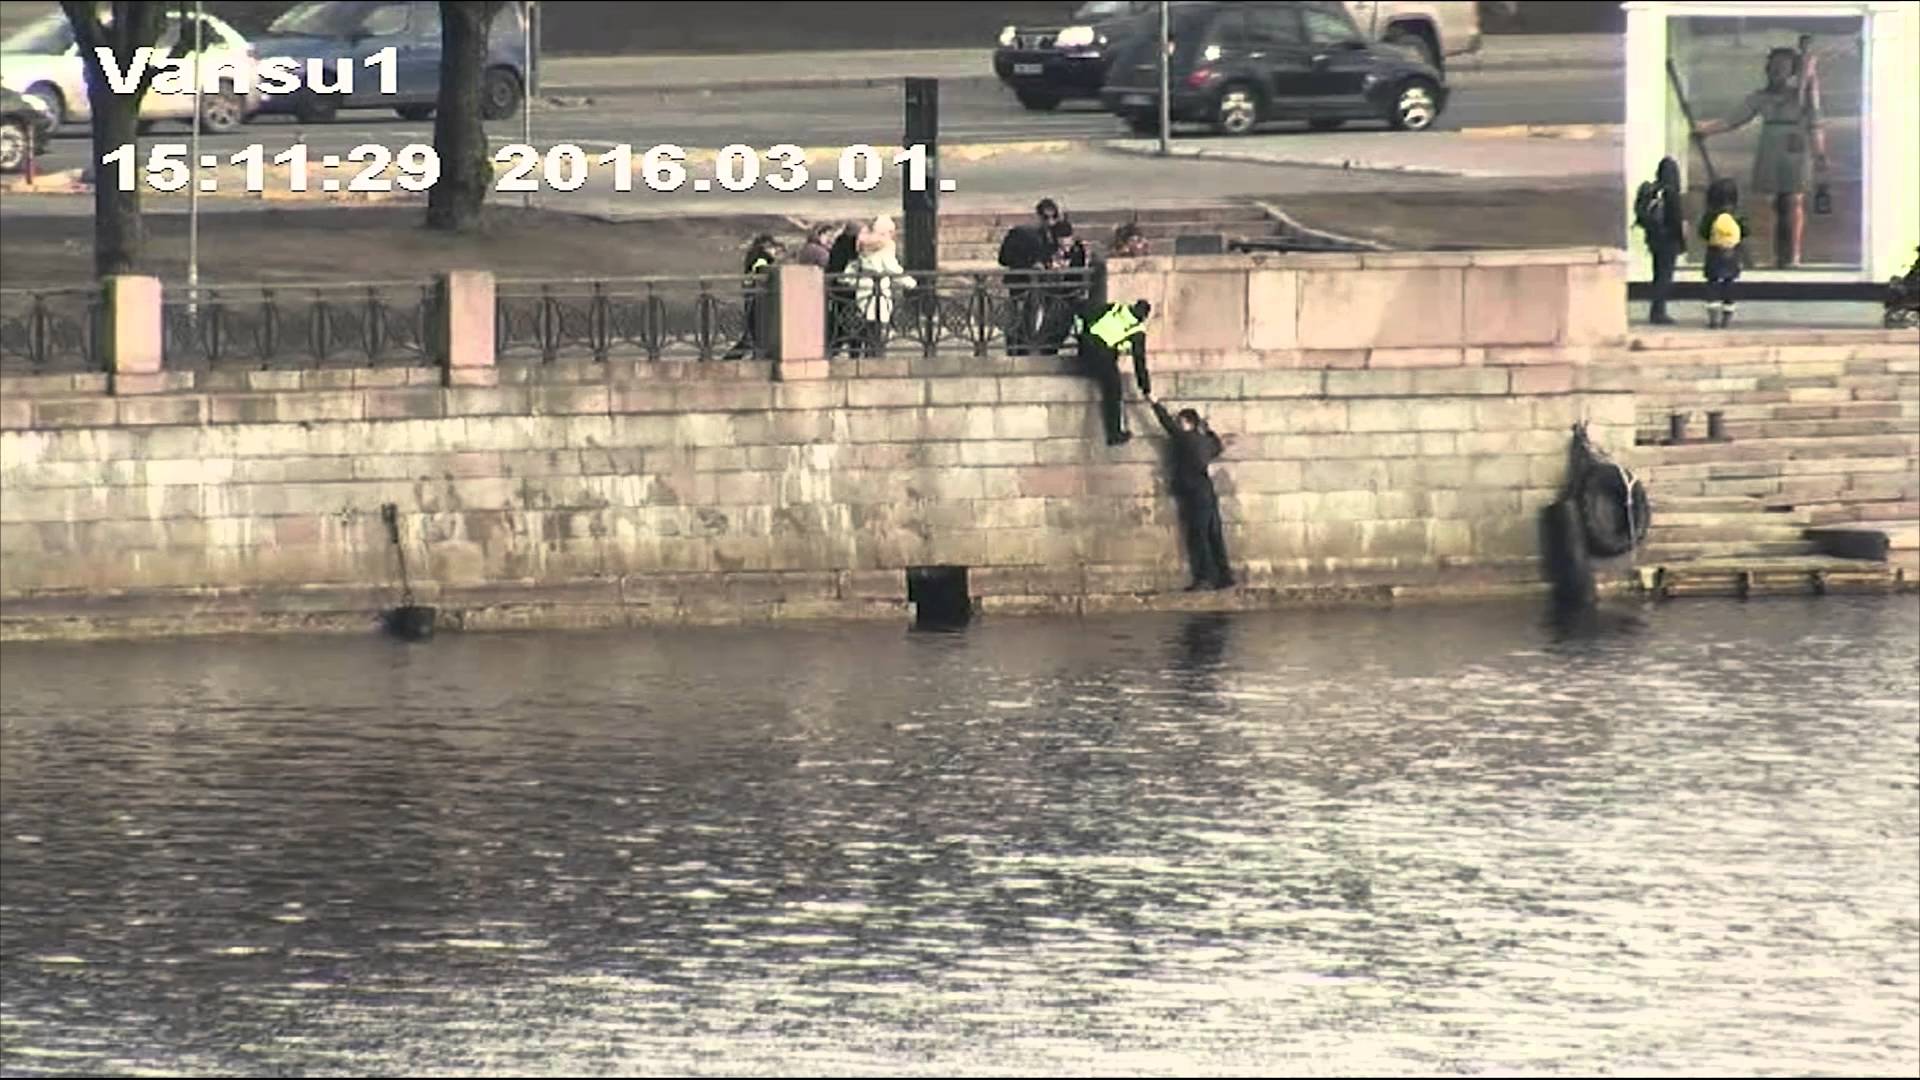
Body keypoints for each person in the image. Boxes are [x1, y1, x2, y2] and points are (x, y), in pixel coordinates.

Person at [1692, 46, 1828, 268]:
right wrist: (1707, 130)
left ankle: (1794, 256)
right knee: (1773, 202)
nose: (1777, 71)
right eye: (1774, 66)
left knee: (1794, 200)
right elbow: (1735, 119)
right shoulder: (1760, 98)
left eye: (1783, 67)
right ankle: (1776, 256)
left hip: (1795, 145)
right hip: (1771, 146)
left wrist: (1820, 152)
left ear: (1792, 71)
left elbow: (1815, 120)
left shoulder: (1801, 96)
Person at [1145, 394, 1235, 591]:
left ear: (1187, 423)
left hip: (1194, 492)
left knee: (1198, 536)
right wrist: (1208, 428)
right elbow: (1217, 445)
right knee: (1214, 534)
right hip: (1207, 491)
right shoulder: (1206, 442)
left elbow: (1166, 423)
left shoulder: (1185, 439)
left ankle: (1204, 578)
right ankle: (1225, 576)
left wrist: (1154, 402)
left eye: (1180, 421)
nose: (1178, 424)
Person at [1072, 298, 1153, 446]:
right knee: (1114, 392)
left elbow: (1087, 314)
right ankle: (1115, 434)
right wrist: (1145, 387)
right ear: (1144, 317)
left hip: (1085, 348)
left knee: (1106, 365)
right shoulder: (1137, 330)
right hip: (1102, 357)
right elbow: (1139, 362)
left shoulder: (1115, 308)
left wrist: (1081, 334)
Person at [844, 217, 917, 358]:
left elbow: (855, 264)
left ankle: (859, 355)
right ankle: (874, 355)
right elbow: (891, 268)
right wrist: (911, 283)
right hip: (878, 289)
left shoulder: (864, 243)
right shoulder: (886, 245)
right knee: (877, 326)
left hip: (863, 287)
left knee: (865, 322)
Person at [998, 198, 1061, 356]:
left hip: (1043, 285)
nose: (1050, 222)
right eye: (1046, 217)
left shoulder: (1054, 236)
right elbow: (1004, 258)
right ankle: (1017, 349)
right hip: (1021, 283)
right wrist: (1031, 264)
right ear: (1038, 217)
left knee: (1039, 317)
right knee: (1020, 317)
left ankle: (1036, 348)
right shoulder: (1020, 234)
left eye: (1054, 217)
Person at [1633, 157, 1686, 325]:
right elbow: (1676, 220)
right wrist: (1682, 242)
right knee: (1664, 277)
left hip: (1653, 238)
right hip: (1669, 240)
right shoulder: (1671, 193)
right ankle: (1658, 312)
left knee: (1658, 275)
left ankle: (1656, 310)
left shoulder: (1651, 189)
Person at [722, 233, 783, 359]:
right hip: (759, 299)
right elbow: (763, 274)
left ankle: (738, 357)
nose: (774, 252)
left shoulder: (753, 255)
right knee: (754, 334)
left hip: (751, 296)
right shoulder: (762, 259)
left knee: (752, 334)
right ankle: (733, 358)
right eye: (773, 248)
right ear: (767, 247)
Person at [1036, 219, 1091, 355]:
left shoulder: (1078, 248)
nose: (1065, 243)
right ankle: (1046, 350)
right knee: (1052, 324)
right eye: (1061, 239)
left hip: (1072, 292)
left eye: (1067, 238)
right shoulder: (1049, 248)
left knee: (1067, 324)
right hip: (1053, 292)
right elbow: (1042, 264)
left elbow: (1080, 267)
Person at [1699, 177, 1747, 329]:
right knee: (1729, 284)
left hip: (1714, 252)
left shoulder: (1710, 215)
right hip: (1732, 254)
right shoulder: (1737, 214)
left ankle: (1713, 318)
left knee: (1712, 283)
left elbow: (1703, 232)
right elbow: (1746, 230)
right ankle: (1727, 317)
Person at [826, 221, 862, 357]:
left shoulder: (838, 245)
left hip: (838, 289)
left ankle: (836, 346)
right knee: (853, 319)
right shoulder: (851, 247)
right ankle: (854, 349)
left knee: (841, 318)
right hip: (849, 289)